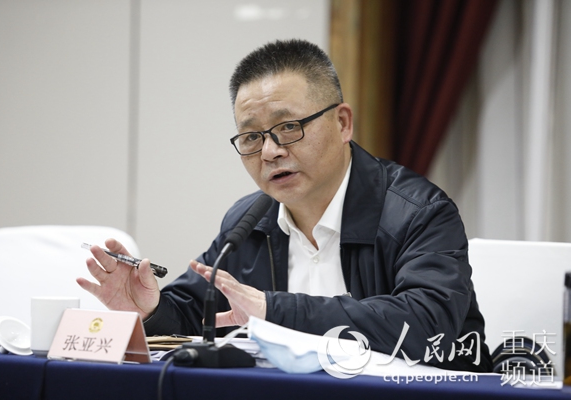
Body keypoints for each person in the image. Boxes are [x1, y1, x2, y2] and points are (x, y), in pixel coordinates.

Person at [77, 39, 492, 372]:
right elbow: (195, 312)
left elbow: (426, 324)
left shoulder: (419, 212)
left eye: (289, 127)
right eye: (251, 137)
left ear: (342, 123)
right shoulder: (248, 221)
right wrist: (150, 310)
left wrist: (272, 311)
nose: (270, 151)